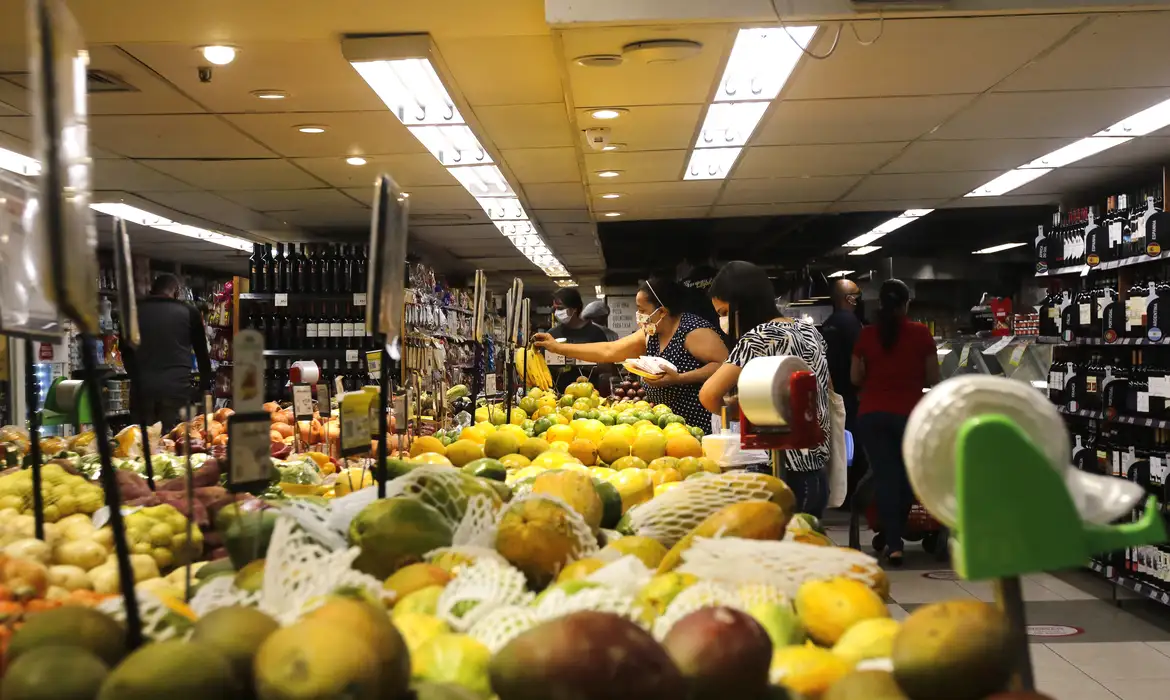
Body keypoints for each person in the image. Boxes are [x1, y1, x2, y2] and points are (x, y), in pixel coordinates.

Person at [700, 261, 832, 517]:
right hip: (816, 473)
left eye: (724, 312)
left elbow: (708, 395)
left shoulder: (758, 337)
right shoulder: (810, 332)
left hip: (777, 474)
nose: (721, 320)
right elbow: (817, 390)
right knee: (807, 542)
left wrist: (740, 411)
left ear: (743, 304)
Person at [533, 277, 727, 431]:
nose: (638, 314)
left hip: (696, 423)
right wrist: (557, 347)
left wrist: (679, 378)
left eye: (642, 309)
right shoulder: (650, 333)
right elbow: (609, 351)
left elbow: (724, 364)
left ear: (662, 311)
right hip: (665, 424)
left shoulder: (692, 330)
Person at [851, 279, 940, 566]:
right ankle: (894, 539)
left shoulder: (867, 335)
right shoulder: (921, 333)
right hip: (910, 416)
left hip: (872, 416)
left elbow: (855, 378)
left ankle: (893, 541)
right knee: (907, 478)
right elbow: (933, 379)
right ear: (906, 304)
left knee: (886, 476)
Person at [122, 273, 212, 429]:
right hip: (176, 392)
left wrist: (138, 378)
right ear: (176, 292)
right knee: (174, 443)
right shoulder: (190, 312)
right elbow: (202, 355)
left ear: (152, 290)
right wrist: (203, 388)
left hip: (142, 392)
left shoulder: (133, 312)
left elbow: (126, 352)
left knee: (140, 443)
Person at [820, 278, 865, 509]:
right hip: (851, 395)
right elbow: (861, 360)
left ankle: (841, 495)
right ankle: (853, 499)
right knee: (856, 450)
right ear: (849, 299)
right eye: (857, 295)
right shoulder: (851, 323)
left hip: (833, 393)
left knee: (841, 448)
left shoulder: (828, 323)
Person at [547, 287, 612, 393]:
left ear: (574, 309)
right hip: (557, 395)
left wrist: (580, 360)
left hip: (590, 395)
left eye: (561, 308)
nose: (557, 312)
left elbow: (607, 367)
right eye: (555, 309)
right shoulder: (552, 334)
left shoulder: (595, 334)